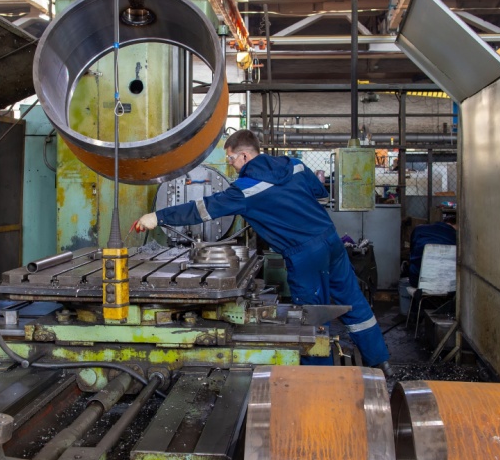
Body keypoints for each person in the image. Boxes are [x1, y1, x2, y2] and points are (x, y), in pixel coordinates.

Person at [133, 129, 394, 376]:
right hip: (331, 241)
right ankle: (380, 360)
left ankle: (319, 381)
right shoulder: (294, 165)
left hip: (305, 255)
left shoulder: (246, 189)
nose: (231, 165)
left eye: (231, 159)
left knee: (313, 317)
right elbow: (320, 193)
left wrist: (157, 216)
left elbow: (202, 210)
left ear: (244, 156)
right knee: (354, 302)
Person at [408, 215, 457, 287]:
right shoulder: (455, 236)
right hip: (449, 284)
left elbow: (411, 252)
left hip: (417, 281)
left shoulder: (419, 229)